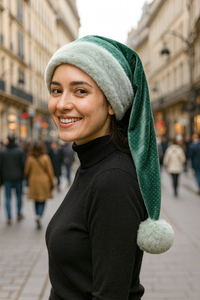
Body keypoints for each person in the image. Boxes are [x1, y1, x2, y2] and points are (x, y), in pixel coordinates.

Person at [44, 35, 174, 300]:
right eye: (56, 90)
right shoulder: (93, 165)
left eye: (80, 91)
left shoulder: (113, 178)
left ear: (112, 103)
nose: (62, 104)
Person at [24, 143, 55, 229]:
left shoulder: (30, 158)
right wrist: (52, 183)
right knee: (43, 200)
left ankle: (37, 215)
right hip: (44, 181)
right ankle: (39, 216)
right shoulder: (45, 157)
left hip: (33, 181)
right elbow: (50, 171)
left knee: (36, 200)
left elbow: (26, 171)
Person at [0, 135, 26, 225]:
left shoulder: (3, 151)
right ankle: (18, 214)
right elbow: (24, 165)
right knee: (19, 196)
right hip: (18, 177)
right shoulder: (20, 150)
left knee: (7, 198)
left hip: (7, 178)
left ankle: (9, 217)